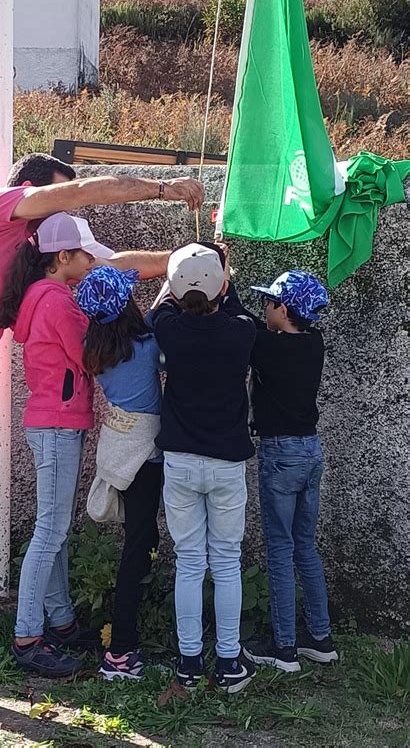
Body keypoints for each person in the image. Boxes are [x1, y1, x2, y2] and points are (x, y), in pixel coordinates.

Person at [0, 152, 203, 634]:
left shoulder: (41, 259)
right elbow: (81, 196)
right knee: (45, 528)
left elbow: (112, 267)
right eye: (57, 203)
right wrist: (163, 189)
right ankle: (29, 631)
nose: (68, 213)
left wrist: (191, 263)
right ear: (32, 193)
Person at [0, 213, 114, 676]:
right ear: (61, 257)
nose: (90, 262)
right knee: (50, 530)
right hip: (58, 423)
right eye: (85, 255)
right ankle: (28, 635)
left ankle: (61, 622)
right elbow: (91, 356)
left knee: (56, 527)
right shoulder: (58, 303)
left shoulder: (40, 297)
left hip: (53, 421)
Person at [152, 244, 257, 694]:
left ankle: (189, 663)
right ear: (224, 286)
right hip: (227, 462)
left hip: (179, 461)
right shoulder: (242, 331)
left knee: (190, 563)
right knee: (227, 562)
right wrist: (222, 270)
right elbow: (232, 306)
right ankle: (230, 660)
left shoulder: (167, 328)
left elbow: (162, 306)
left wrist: (180, 278)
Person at [231, 270, 338, 672]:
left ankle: (285, 646)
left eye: (270, 301)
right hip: (311, 450)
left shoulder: (269, 349)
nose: (264, 307)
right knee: (305, 546)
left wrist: (226, 281)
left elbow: (241, 319)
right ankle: (320, 637)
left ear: (283, 308)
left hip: (281, 454)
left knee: (279, 549)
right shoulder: (314, 343)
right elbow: (258, 325)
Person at [76, 265, 164, 681]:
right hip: (145, 457)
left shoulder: (97, 349)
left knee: (138, 540)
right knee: (139, 548)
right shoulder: (146, 346)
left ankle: (125, 641)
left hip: (121, 451)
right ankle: (121, 650)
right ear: (128, 304)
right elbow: (158, 320)